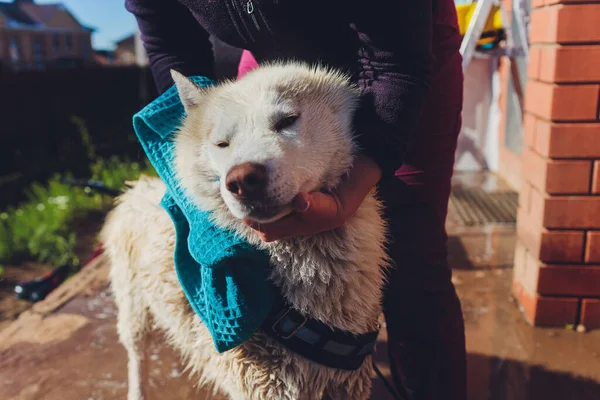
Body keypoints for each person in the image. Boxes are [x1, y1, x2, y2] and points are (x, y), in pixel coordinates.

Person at [125, 0, 466, 399]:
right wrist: (202, 147)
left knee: (413, 266)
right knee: (267, 270)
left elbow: (398, 62)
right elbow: (174, 50)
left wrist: (350, 192)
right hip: (273, 65)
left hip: (399, 57)